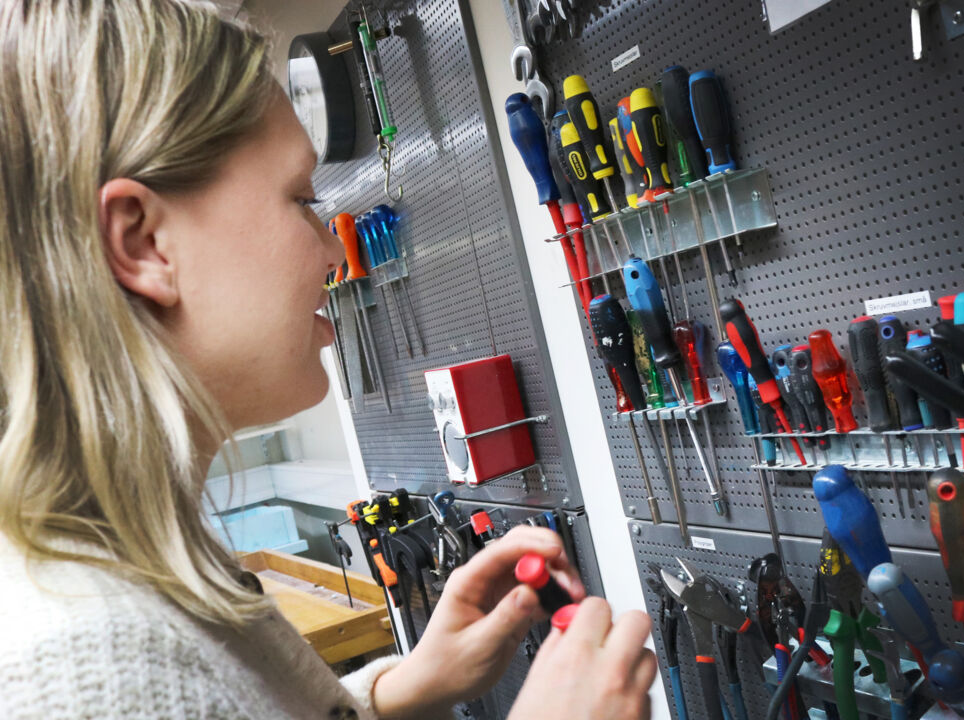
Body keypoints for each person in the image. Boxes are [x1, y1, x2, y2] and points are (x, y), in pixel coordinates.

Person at [0, 1, 655, 718]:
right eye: (302, 199)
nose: (333, 250)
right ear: (143, 243)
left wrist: (400, 690)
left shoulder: (139, 564)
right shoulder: (87, 666)